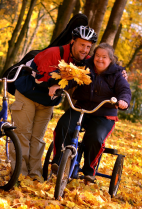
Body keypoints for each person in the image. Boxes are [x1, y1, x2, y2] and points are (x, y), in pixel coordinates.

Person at [9, 26, 98, 181]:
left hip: (47, 102)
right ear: (73, 42)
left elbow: (104, 64)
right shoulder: (53, 53)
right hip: (27, 95)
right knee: (23, 135)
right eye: (82, 44)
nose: (85, 49)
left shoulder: (84, 61)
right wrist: (57, 80)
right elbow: (39, 77)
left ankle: (34, 173)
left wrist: (120, 72)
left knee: (37, 138)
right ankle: (19, 174)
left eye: (88, 46)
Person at [48, 43, 131, 182]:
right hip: (82, 108)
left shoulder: (117, 74)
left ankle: (89, 170)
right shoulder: (85, 67)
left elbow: (125, 90)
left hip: (104, 113)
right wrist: (59, 85)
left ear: (110, 59)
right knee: (63, 124)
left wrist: (123, 100)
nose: (99, 59)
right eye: (97, 56)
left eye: (104, 57)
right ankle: (59, 160)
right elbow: (72, 80)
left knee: (95, 137)